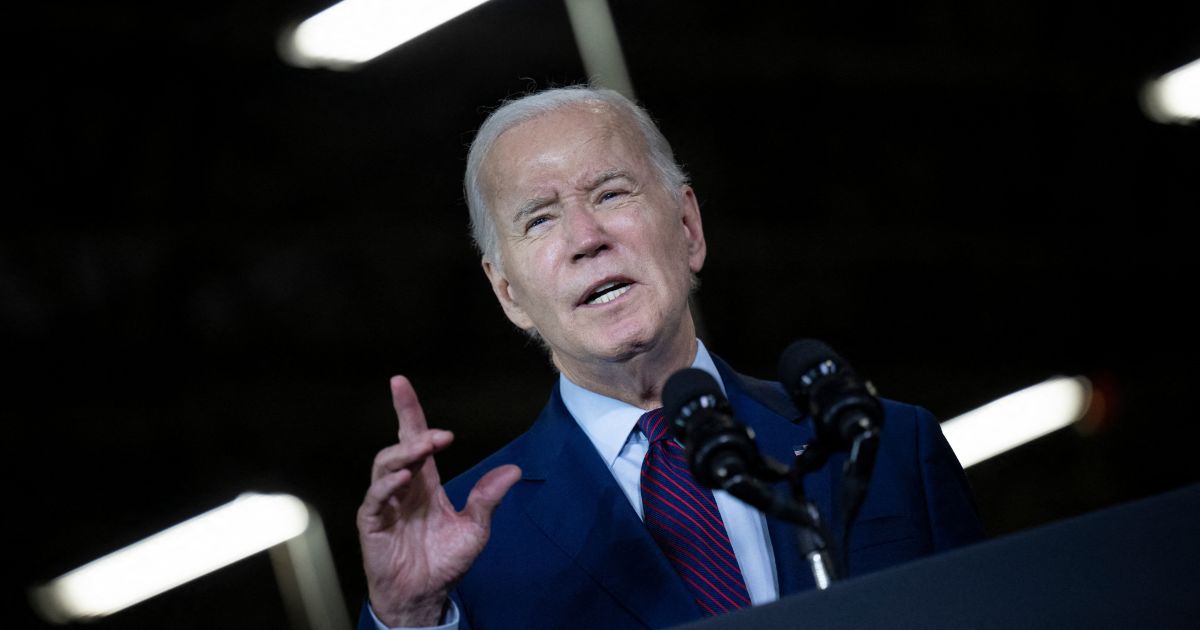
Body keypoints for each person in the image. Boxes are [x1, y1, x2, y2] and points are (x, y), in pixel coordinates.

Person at [355, 85, 985, 630]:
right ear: (509, 293)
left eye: (610, 194)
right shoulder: (465, 543)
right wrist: (411, 620)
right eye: (541, 220)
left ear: (688, 228)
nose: (586, 238)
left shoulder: (885, 445)